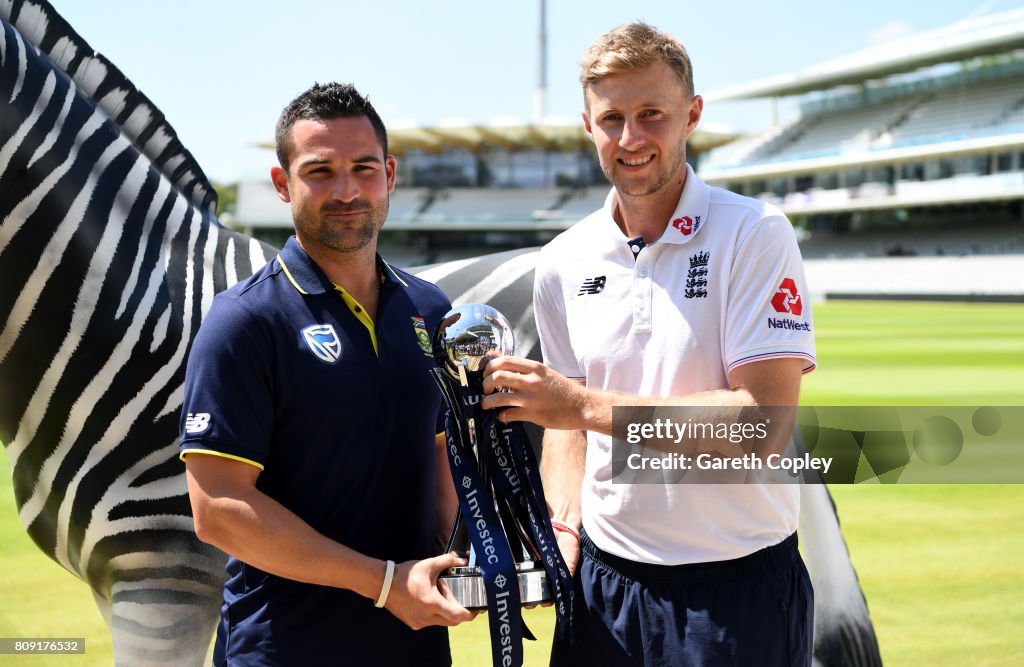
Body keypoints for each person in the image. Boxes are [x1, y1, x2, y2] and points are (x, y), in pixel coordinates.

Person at [481, 22, 816, 666]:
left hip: (734, 588)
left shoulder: (754, 233)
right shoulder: (562, 260)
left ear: (691, 114)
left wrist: (578, 405)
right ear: (588, 125)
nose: (630, 138)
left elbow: (764, 422)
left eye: (651, 114)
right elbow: (565, 429)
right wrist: (563, 527)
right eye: (612, 118)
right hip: (604, 589)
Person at [179, 82, 474, 666]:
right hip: (283, 649)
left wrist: (457, 562)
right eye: (320, 171)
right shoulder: (244, 320)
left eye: (364, 167)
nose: (346, 190)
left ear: (389, 174)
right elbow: (218, 510)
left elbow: (442, 453)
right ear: (283, 183)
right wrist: (385, 583)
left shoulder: (429, 309)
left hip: (413, 646)